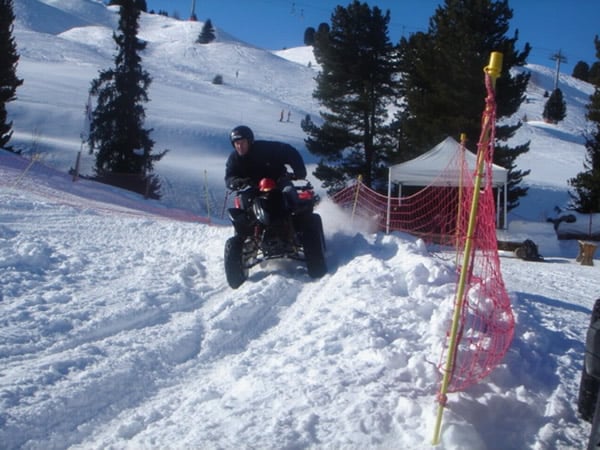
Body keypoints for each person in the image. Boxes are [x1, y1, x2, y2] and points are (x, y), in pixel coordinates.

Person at [225, 125, 307, 209]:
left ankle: (295, 220)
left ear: (249, 141)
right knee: (243, 200)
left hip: (278, 183)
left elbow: (289, 151)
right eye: (237, 143)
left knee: (289, 194)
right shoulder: (234, 159)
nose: (240, 146)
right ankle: (251, 222)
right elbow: (229, 177)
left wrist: (299, 170)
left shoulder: (265, 148)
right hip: (254, 188)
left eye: (243, 142)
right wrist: (238, 182)